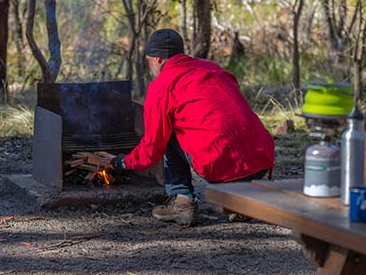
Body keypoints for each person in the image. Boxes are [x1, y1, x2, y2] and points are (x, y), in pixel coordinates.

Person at [111, 29, 275, 226]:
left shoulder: (162, 86)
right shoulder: (214, 69)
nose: (150, 67)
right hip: (261, 160)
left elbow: (152, 148)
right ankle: (237, 201)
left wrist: (122, 163)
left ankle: (183, 202)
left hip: (220, 163)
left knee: (167, 131)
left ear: (158, 59)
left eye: (149, 61)